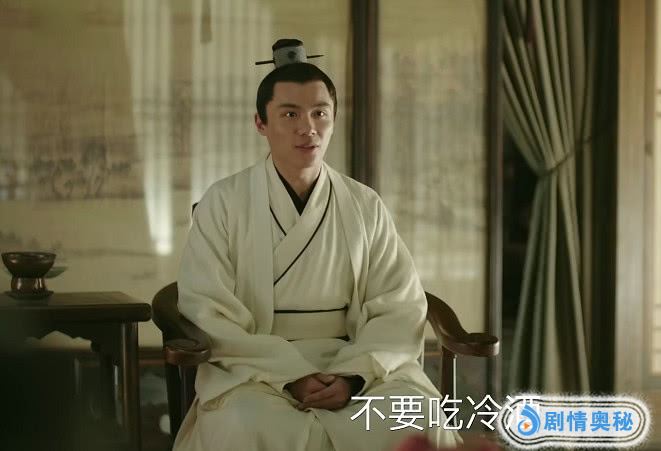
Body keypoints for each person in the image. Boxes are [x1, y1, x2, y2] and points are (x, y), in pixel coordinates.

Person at [174, 39, 462, 451]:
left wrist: (353, 376)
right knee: (242, 423)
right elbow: (208, 309)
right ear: (260, 122)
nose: (307, 127)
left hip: (356, 361)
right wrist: (290, 375)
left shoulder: (364, 204)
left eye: (319, 113)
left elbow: (399, 305)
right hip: (256, 370)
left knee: (416, 417)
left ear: (333, 119)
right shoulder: (223, 202)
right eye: (289, 113)